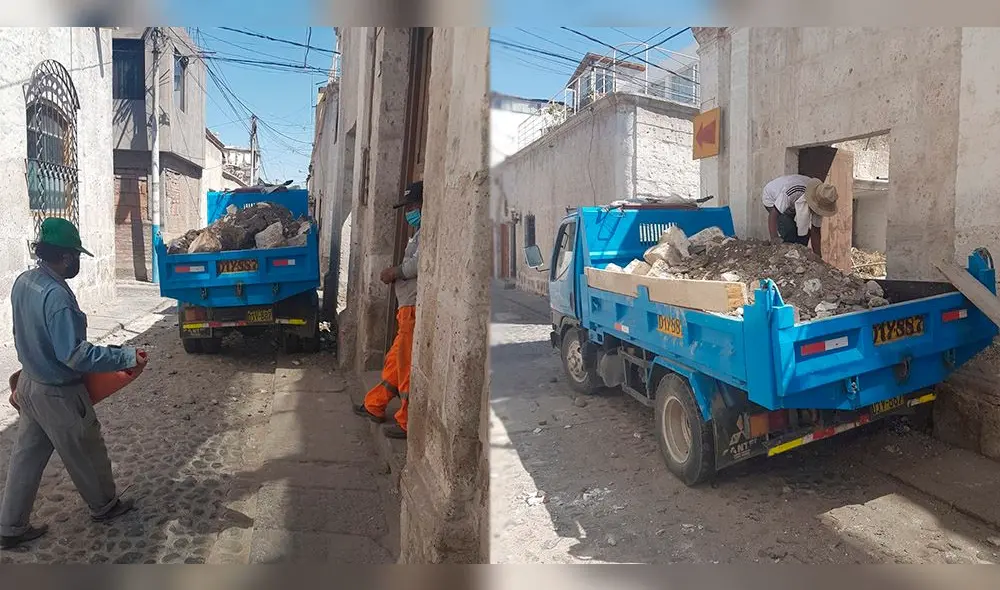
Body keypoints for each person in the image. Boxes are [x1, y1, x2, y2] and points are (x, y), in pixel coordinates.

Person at [0, 218, 147, 549]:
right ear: (66, 257)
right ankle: (105, 506)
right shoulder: (57, 298)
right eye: (76, 256)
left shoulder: (24, 281)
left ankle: (9, 526)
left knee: (25, 458)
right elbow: (75, 356)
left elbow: (19, 332)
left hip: (29, 385)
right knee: (88, 451)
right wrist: (123, 357)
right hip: (58, 394)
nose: (78, 262)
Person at [353, 181, 422, 440]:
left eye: (413, 206)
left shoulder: (427, 232)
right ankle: (374, 405)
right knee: (395, 361)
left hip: (413, 307)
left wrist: (396, 272)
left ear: (423, 205)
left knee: (405, 366)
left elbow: (420, 264)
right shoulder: (418, 232)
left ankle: (406, 421)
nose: (409, 212)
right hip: (406, 308)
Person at [761, 174, 839, 257]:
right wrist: (774, 237)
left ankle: (798, 258)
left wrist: (818, 256)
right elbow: (774, 214)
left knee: (803, 235)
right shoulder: (794, 191)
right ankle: (784, 257)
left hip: (791, 205)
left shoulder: (821, 201)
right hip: (772, 199)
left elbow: (815, 231)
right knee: (788, 229)